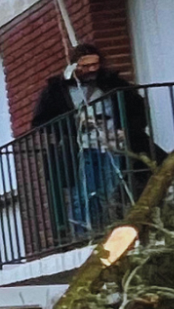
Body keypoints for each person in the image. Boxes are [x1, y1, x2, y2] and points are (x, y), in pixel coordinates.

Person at [28, 42, 158, 237]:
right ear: (73, 66)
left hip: (112, 144)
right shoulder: (56, 90)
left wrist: (127, 130)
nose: (91, 70)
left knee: (110, 188)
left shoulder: (113, 84)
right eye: (85, 66)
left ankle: (108, 228)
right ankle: (84, 233)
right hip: (80, 147)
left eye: (95, 65)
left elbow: (138, 110)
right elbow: (41, 121)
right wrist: (75, 122)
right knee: (84, 193)